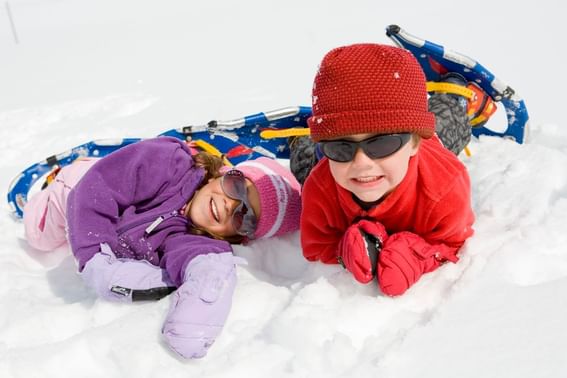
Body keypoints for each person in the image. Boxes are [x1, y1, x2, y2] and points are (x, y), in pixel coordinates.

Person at [23, 136, 301, 359]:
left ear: (241, 237)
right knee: (39, 235)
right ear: (222, 175)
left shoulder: (197, 238)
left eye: (245, 216)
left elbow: (205, 267)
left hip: (104, 216)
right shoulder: (169, 162)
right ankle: (70, 171)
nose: (230, 205)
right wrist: (95, 255)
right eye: (237, 187)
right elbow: (98, 188)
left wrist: (201, 304)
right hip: (78, 187)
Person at [294, 43, 489, 296]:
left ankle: (456, 91)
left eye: (383, 143)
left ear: (414, 143)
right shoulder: (320, 186)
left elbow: (452, 241)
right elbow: (316, 245)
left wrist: (418, 255)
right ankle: (306, 140)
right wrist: (346, 248)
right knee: (302, 160)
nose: (362, 162)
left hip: (435, 142)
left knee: (449, 121)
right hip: (330, 156)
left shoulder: (445, 185)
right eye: (340, 147)